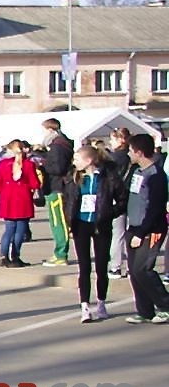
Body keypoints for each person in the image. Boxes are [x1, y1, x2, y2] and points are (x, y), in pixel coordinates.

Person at [62, 146, 127, 323]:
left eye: (77, 159)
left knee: (101, 266)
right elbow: (68, 200)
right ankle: (84, 306)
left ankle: (101, 303)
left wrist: (109, 213)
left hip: (101, 225)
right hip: (81, 225)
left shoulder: (108, 177)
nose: (74, 162)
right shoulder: (73, 177)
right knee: (84, 266)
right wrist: (69, 220)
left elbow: (123, 199)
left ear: (89, 160)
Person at [122, 134, 169, 324]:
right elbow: (128, 196)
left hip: (150, 229)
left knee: (143, 269)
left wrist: (142, 233)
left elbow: (155, 207)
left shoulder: (156, 175)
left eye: (130, 150)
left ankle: (165, 305)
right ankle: (144, 310)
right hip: (133, 226)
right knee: (134, 272)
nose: (128, 153)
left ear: (139, 152)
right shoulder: (136, 171)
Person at [0, 140, 40, 268]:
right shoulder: (29, 164)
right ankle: (15, 256)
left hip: (7, 198)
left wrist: (4, 192)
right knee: (20, 230)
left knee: (9, 229)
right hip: (23, 198)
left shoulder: (3, 164)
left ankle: (3, 256)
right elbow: (35, 183)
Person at [40, 118, 74, 267]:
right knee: (56, 222)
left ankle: (61, 254)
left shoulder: (58, 146)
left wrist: (43, 164)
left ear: (50, 130)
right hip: (54, 186)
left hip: (57, 187)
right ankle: (58, 253)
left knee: (59, 222)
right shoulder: (58, 145)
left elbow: (58, 168)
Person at [107, 128, 132, 278]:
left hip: (117, 198)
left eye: (113, 139)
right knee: (131, 232)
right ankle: (131, 267)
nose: (110, 142)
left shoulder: (113, 159)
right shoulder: (132, 157)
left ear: (121, 140)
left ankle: (115, 267)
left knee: (118, 234)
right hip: (132, 197)